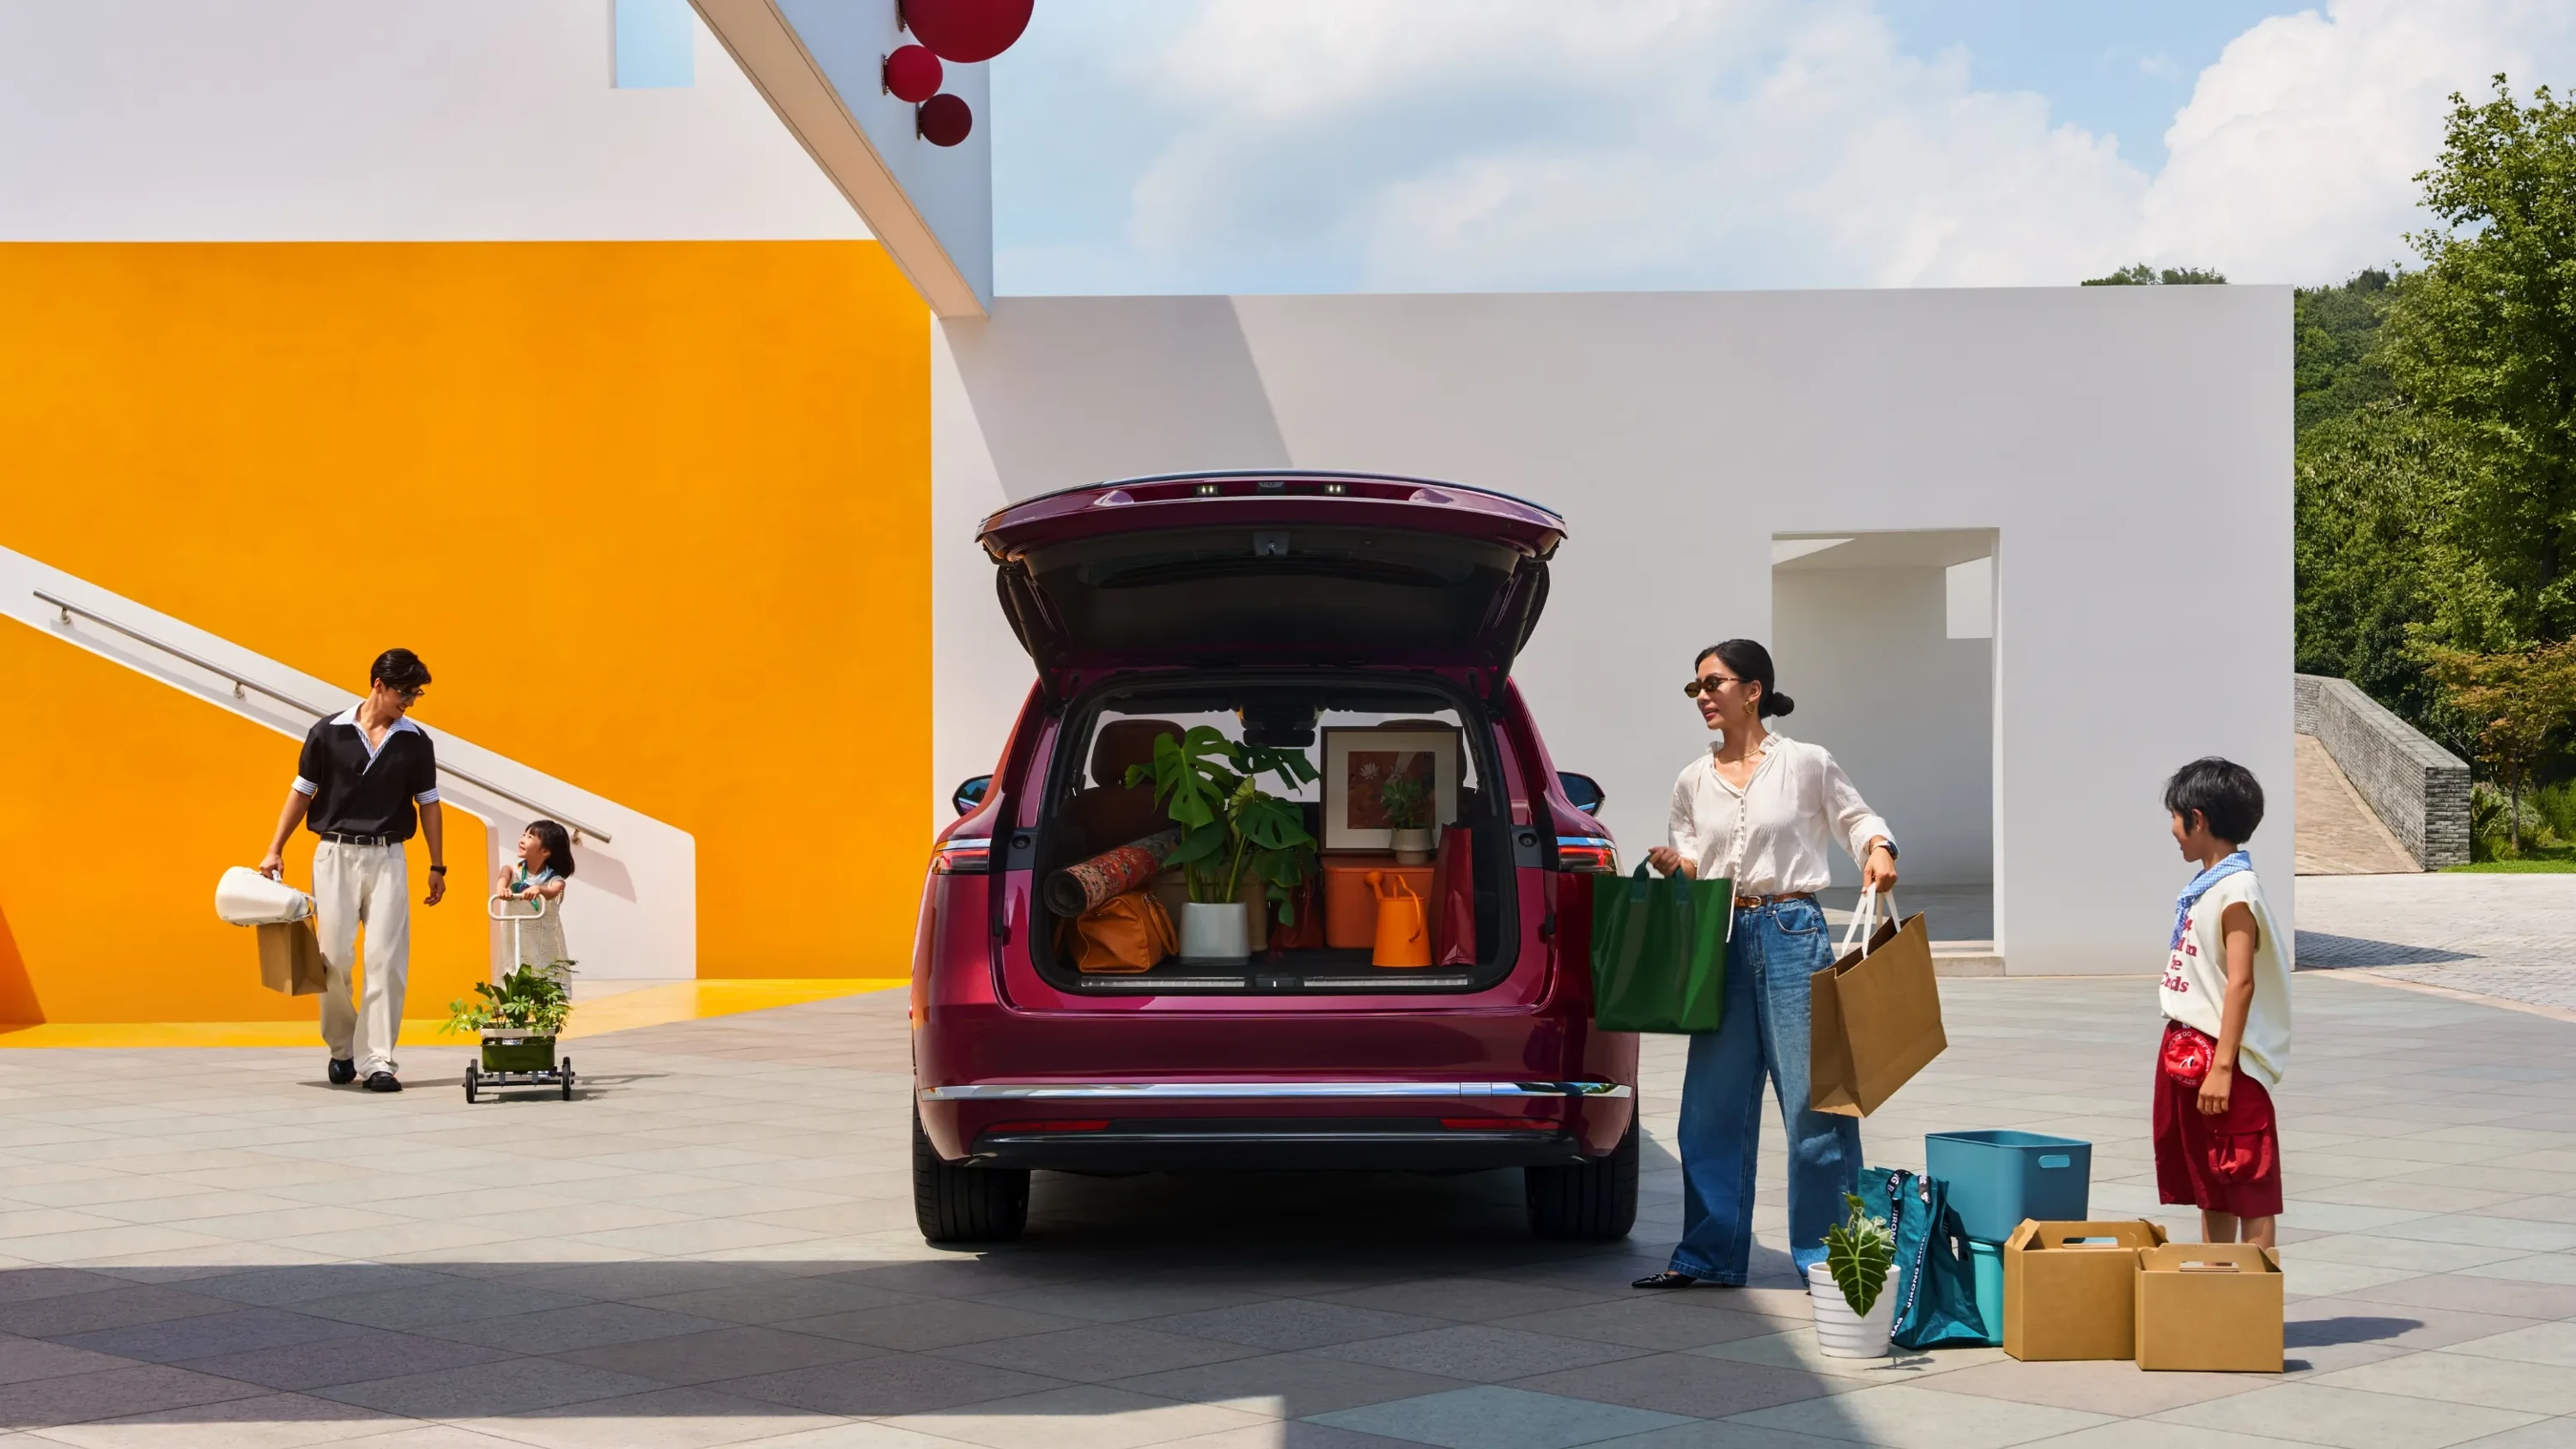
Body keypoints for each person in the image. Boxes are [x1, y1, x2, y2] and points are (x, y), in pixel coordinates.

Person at [1633, 640, 1899, 1290]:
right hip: (1718, 939)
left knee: (1815, 1107)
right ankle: (1708, 1255)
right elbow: (1694, 864)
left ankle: (1830, 1259)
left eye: (1713, 683)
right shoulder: (1692, 780)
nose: (1702, 696)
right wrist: (1674, 866)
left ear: (1753, 691)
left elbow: (1857, 818)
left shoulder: (1806, 762)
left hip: (1791, 932)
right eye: (1695, 687)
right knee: (1709, 1108)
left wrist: (1879, 848)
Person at [257, 649, 446, 1092]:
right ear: (379, 684)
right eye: (405, 692)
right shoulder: (328, 732)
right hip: (334, 855)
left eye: (416, 694)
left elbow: (429, 804)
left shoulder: (416, 741)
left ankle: (378, 1061)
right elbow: (302, 792)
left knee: (386, 960)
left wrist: (437, 864)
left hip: (389, 857)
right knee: (333, 957)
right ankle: (342, 1049)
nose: (411, 701)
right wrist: (274, 849)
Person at [2156, 757, 2289, 1252]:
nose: (2173, 830)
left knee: (2248, 1179)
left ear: (2198, 818)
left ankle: (2251, 1293)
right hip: (2191, 1051)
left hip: (2223, 1056)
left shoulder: (2237, 891)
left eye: (2175, 817)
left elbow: (2241, 983)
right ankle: (2218, 1285)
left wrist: (2224, 1068)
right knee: (2212, 1184)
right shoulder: (2208, 887)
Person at [495, 819, 576, 971]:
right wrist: (503, 890)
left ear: (545, 851)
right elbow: (502, 882)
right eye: (524, 835)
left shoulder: (554, 880)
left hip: (542, 939)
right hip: (516, 936)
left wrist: (539, 889)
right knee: (513, 970)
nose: (522, 839)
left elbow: (552, 892)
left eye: (529, 837)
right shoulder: (511, 870)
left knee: (543, 971)